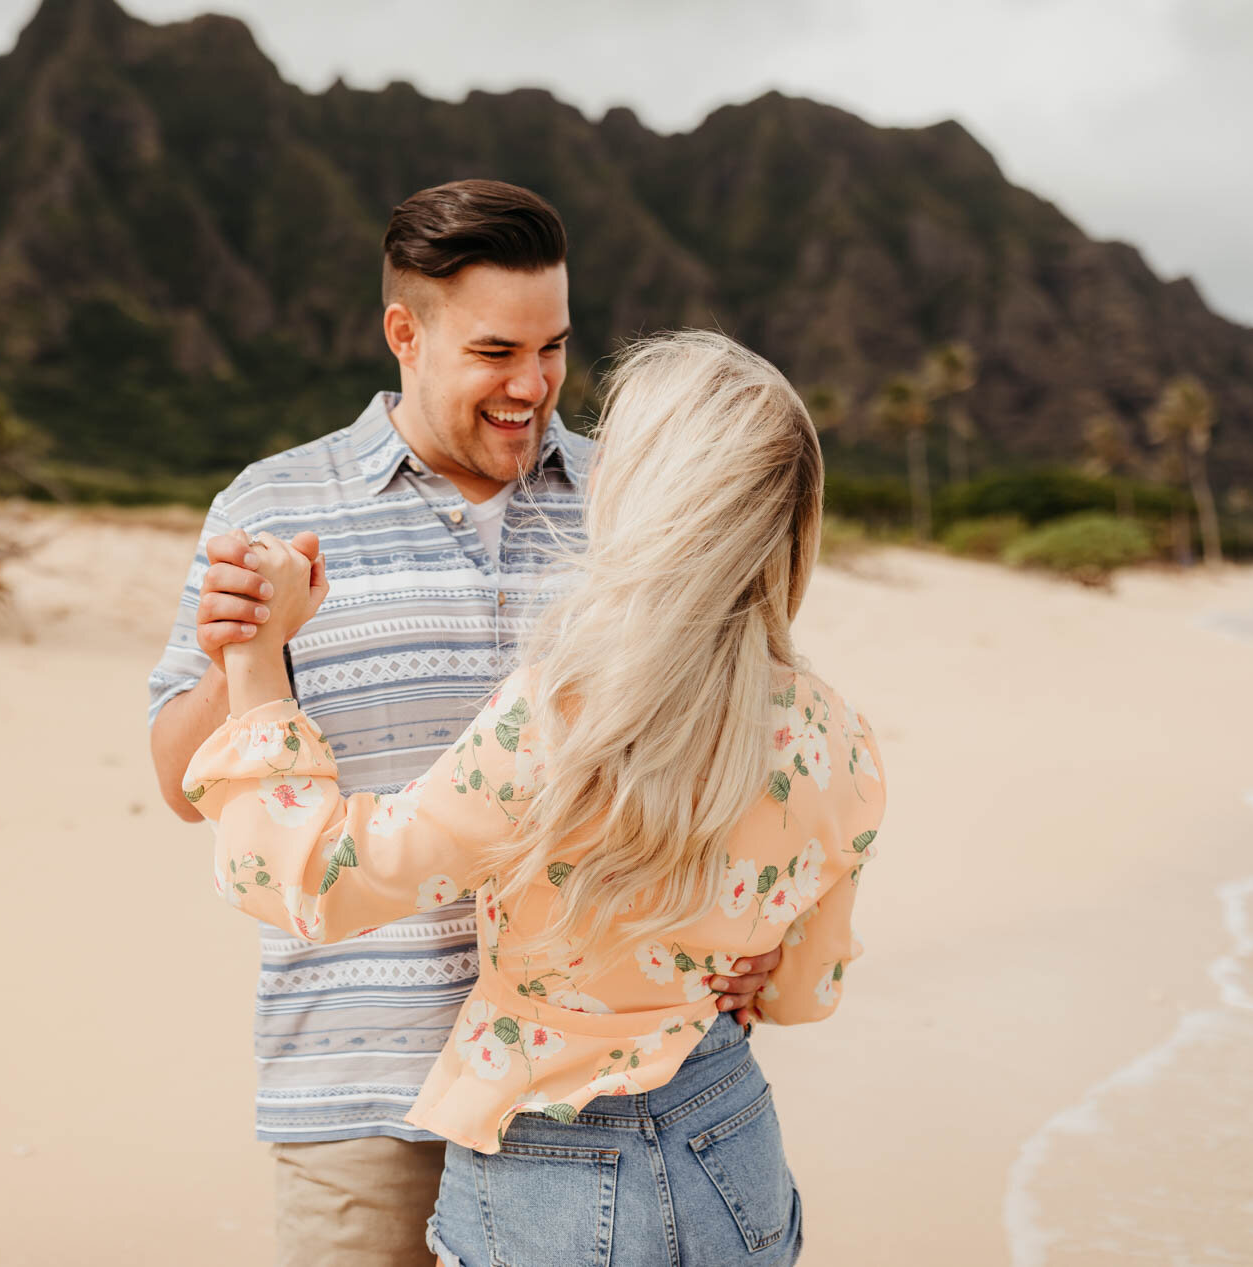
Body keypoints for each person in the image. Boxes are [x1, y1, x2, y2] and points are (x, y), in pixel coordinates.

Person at [146, 181, 773, 1266]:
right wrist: (236, 655)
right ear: (405, 332)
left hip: (591, 1090)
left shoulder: (632, 503)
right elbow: (176, 775)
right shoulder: (270, 505)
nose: (532, 386)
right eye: (495, 352)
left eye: (553, 348)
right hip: (361, 1088)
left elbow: (732, 740)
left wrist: (755, 922)